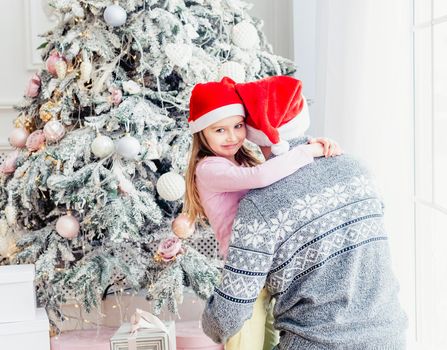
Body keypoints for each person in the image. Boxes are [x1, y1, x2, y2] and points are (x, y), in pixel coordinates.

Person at [201, 76, 408, 349]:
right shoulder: (358, 168)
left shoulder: (259, 205)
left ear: (252, 130)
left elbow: (227, 319)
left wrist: (209, 322)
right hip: (391, 338)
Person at [183, 76, 342, 350]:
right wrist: (307, 151)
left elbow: (280, 173)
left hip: (265, 263)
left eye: (238, 126)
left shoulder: (241, 160)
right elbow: (263, 177)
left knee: (269, 339)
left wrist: (316, 145)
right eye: (219, 130)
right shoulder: (209, 169)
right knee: (246, 339)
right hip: (244, 266)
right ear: (201, 133)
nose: (232, 136)